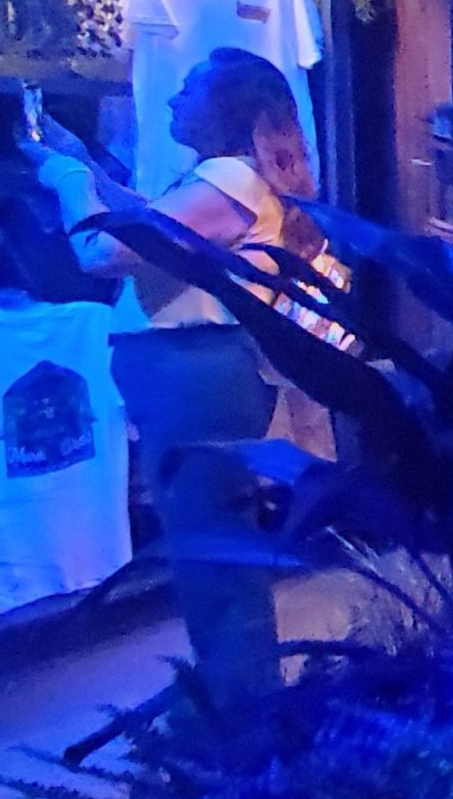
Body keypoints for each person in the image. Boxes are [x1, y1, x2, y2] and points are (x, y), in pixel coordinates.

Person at [24, 48, 322, 703]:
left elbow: (103, 250)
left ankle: (247, 717)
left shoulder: (229, 179)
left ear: (223, 107)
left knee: (215, 561)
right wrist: (91, 166)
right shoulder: (228, 181)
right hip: (198, 379)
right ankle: (237, 707)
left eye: (187, 87)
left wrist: (69, 180)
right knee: (212, 554)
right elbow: (153, 222)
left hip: (197, 380)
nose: (171, 98)